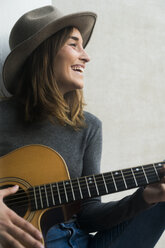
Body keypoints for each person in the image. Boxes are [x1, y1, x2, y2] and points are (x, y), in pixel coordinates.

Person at [0, 5, 165, 248]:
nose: (86, 57)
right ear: (44, 52)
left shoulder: (88, 126)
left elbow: (89, 215)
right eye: (73, 44)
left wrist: (143, 198)